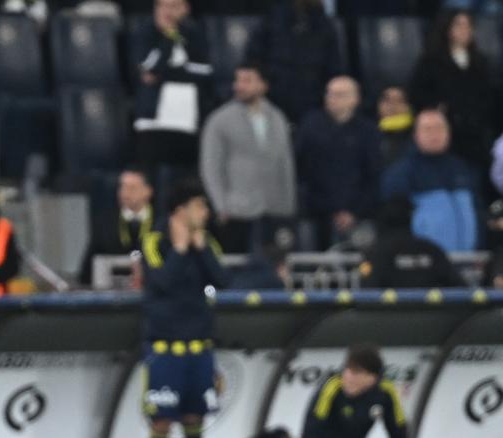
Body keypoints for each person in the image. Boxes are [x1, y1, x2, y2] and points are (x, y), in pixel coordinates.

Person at [132, 177, 225, 438]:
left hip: (199, 348)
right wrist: (182, 249)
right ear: (180, 211)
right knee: (160, 423)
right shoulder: (153, 242)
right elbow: (162, 282)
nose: (206, 213)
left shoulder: (207, 243)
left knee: (193, 422)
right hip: (165, 349)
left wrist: (199, 248)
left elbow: (222, 280)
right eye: (200, 206)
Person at [198, 63, 295, 254]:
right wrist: (220, 206)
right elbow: (210, 167)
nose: (239, 85)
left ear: (263, 85)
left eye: (247, 80)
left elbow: (286, 164)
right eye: (238, 80)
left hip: (273, 210)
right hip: (236, 213)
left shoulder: (277, 118)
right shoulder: (219, 120)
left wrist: (288, 207)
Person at [132, 0, 213, 197]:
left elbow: (205, 72)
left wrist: (165, 73)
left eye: (174, 6)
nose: (167, 12)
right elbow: (148, 70)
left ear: (186, 9)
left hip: (188, 121)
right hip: (152, 123)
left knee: (184, 188)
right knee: (151, 187)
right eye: (162, 6)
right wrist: (169, 38)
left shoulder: (195, 34)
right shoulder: (144, 33)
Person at [295, 76, 382, 250]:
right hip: (316, 214)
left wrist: (353, 211)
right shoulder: (310, 127)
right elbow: (302, 171)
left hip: (358, 215)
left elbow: (374, 176)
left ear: (355, 99)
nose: (331, 98)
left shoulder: (368, 131)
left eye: (339, 94)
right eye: (329, 93)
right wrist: (329, 209)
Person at [408, 10, 499, 176]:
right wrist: (438, 108)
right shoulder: (430, 61)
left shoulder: (482, 61)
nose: (464, 30)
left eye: (468, 25)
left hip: (477, 134)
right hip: (449, 132)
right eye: (459, 24)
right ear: (447, 28)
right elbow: (416, 93)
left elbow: (491, 96)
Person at [381, 109, 480, 254]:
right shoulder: (402, 173)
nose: (434, 134)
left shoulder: (462, 169)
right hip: (425, 264)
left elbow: (478, 211)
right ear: (416, 135)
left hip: (468, 261)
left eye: (439, 128)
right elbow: (393, 221)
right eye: (428, 129)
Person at [246, 0, 343, 124]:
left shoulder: (324, 24)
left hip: (313, 99)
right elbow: (253, 57)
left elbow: (334, 67)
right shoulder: (272, 17)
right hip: (274, 95)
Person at [359, 198, 465, 290]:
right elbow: (460, 289)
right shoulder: (431, 250)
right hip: (430, 312)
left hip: (389, 312)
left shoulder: (376, 253)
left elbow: (366, 290)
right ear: (411, 217)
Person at [81, 167, 154, 285]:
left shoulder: (161, 223)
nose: (125, 193)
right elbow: (87, 270)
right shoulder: (105, 224)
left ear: (148, 191)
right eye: (122, 187)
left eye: (132, 188)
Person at [377, 85, 414, 169]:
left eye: (399, 101)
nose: (392, 106)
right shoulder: (368, 134)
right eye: (387, 100)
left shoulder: (418, 136)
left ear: (408, 106)